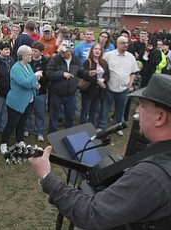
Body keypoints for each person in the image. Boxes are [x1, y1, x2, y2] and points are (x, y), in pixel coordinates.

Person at [29, 73, 171, 229]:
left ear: (160, 117)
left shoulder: (151, 175)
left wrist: (46, 177)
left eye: (142, 105)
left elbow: (91, 213)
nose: (137, 110)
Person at [0, 45, 42, 154]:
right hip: (16, 101)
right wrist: (35, 77)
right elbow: (24, 82)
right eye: (29, 54)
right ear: (23, 56)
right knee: (12, 123)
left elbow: (31, 80)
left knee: (22, 122)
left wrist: (36, 84)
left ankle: (20, 140)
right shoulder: (16, 68)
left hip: (27, 100)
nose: (31, 56)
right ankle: (3, 143)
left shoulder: (28, 66)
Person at [97, 36, 139, 135]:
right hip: (109, 87)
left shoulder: (130, 57)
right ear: (118, 44)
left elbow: (134, 72)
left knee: (121, 109)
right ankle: (101, 126)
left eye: (127, 43)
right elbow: (101, 70)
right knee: (105, 108)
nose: (126, 45)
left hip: (124, 88)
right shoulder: (108, 56)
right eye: (123, 43)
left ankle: (118, 127)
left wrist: (130, 85)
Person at [46, 40, 84, 133]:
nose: (61, 52)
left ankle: (69, 134)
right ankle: (52, 134)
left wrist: (88, 74)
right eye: (61, 50)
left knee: (70, 116)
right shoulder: (55, 59)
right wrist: (62, 74)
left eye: (64, 51)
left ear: (70, 51)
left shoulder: (76, 60)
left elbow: (80, 72)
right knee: (53, 116)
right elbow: (49, 73)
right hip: (56, 93)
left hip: (71, 94)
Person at [79, 43, 109, 126]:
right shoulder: (87, 62)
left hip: (99, 91)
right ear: (92, 51)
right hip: (88, 90)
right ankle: (83, 127)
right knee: (85, 110)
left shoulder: (103, 62)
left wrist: (103, 80)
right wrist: (97, 81)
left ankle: (91, 126)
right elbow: (82, 74)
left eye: (99, 49)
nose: (97, 51)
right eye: (95, 49)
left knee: (94, 110)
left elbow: (107, 74)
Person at [24, 41, 48, 142]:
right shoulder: (29, 61)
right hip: (29, 90)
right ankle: (26, 128)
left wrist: (40, 77)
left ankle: (39, 132)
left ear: (41, 52)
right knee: (27, 111)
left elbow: (47, 76)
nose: (33, 53)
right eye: (32, 51)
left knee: (40, 112)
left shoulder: (45, 62)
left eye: (35, 51)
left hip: (41, 91)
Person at [0, 41, 15, 134]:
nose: (8, 51)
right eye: (5, 49)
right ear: (0, 50)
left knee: (5, 111)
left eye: (9, 49)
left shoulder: (11, 60)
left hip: (9, 90)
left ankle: (2, 127)